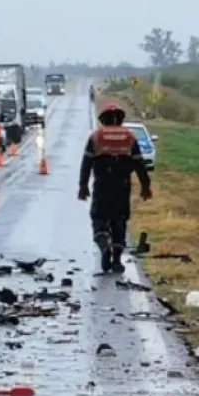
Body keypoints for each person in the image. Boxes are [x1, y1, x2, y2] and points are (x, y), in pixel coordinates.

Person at [78, 103, 152, 274]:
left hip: (102, 186)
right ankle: (117, 260)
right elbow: (139, 163)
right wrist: (145, 186)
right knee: (119, 222)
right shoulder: (129, 137)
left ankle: (104, 246)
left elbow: (86, 163)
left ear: (103, 120)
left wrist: (83, 186)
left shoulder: (96, 137)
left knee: (99, 219)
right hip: (122, 186)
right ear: (120, 119)